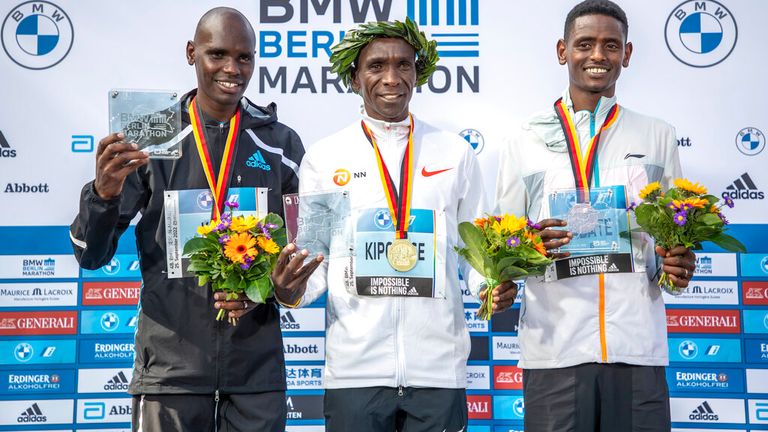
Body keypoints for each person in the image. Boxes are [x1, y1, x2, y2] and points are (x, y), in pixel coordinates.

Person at [69, 8, 308, 431]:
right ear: (191, 53)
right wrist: (103, 195)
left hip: (255, 371)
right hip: (170, 372)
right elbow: (91, 255)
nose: (232, 69)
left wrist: (270, 291)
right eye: (218, 54)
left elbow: (301, 251)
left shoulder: (281, 144)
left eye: (244, 57)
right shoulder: (150, 136)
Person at [270, 18, 513, 432]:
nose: (391, 78)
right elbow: (315, 261)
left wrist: (490, 284)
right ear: (354, 78)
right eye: (376, 66)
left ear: (418, 73)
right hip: (355, 372)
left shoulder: (455, 153)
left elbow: (474, 249)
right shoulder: (326, 158)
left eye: (404, 65)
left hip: (438, 371)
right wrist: (289, 290)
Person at [494, 1, 696, 431]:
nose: (598, 55)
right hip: (555, 350)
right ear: (562, 51)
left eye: (611, 45)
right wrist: (524, 250)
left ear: (627, 54)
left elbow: (675, 239)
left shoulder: (657, 135)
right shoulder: (523, 139)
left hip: (636, 349)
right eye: (585, 44)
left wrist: (677, 267)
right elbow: (501, 242)